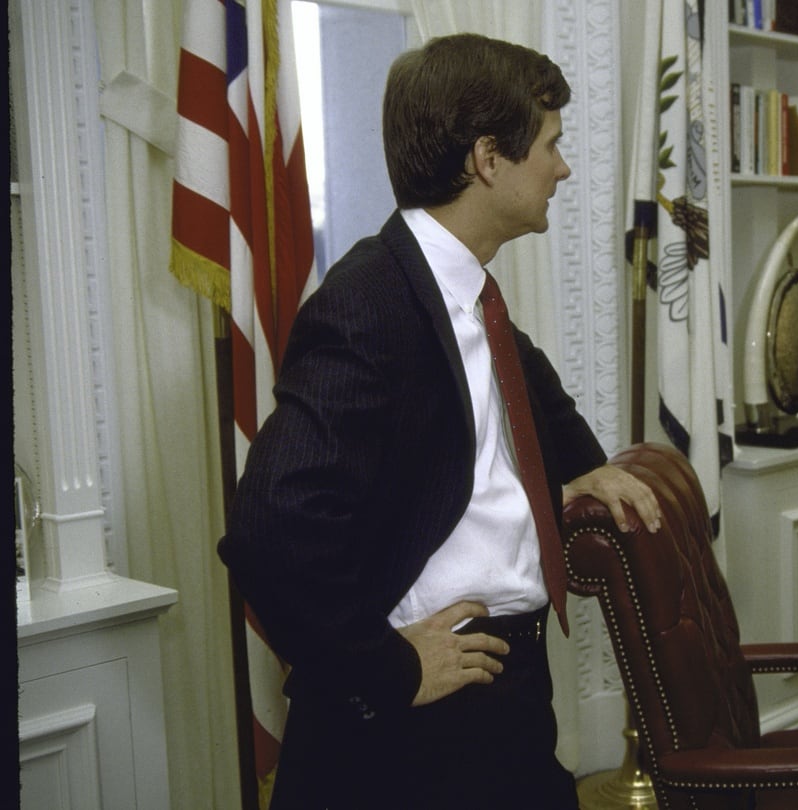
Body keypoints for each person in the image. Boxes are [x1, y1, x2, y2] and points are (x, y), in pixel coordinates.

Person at [218, 34, 661, 810]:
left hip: (508, 695)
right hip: (423, 731)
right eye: (551, 146)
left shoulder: (463, 292)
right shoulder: (370, 302)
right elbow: (268, 526)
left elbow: (520, 379)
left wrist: (582, 464)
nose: (562, 168)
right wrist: (384, 668)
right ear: (489, 158)